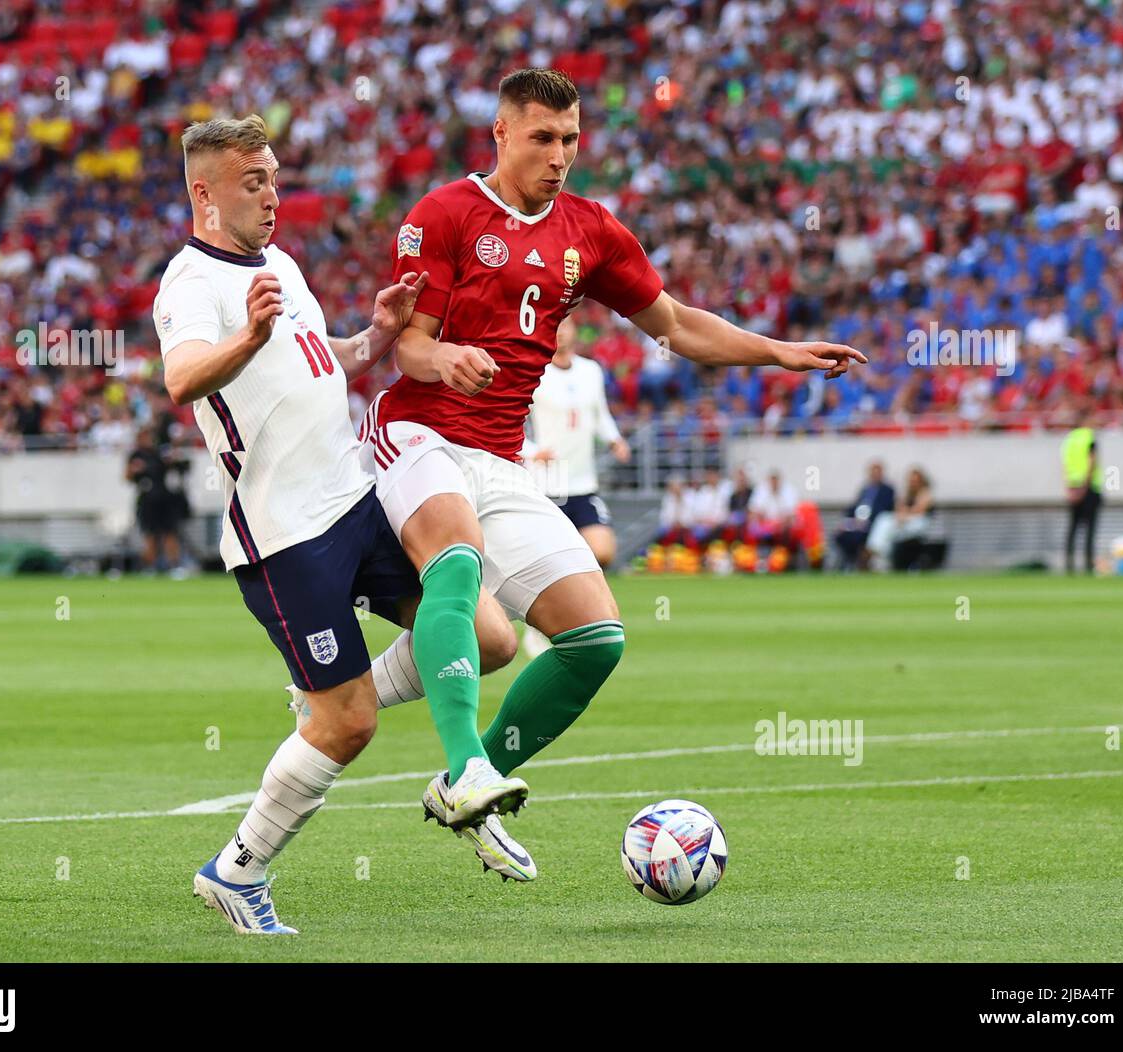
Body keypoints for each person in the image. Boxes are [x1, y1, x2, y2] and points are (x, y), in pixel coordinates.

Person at [365, 68, 865, 878]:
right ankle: (466, 770)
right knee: (455, 565)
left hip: (499, 460)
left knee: (595, 638)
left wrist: (779, 352)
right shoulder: (445, 213)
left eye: (569, 140)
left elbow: (674, 324)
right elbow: (410, 344)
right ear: (500, 135)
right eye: (541, 138)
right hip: (416, 433)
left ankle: (469, 778)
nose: (559, 155)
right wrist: (444, 355)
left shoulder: (590, 230)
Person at [152, 115, 518, 935]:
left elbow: (321, 362)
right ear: (204, 193)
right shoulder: (189, 284)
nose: (274, 195)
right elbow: (182, 380)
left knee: (490, 636)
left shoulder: (280, 263)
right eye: (254, 182)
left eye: (276, 176)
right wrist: (246, 333)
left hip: (353, 500)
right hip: (285, 538)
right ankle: (237, 870)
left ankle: (324, 700)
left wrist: (377, 336)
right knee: (349, 724)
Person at [522, 314, 630, 655]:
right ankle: (541, 626)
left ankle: (576, 612)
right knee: (548, 561)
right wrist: (531, 452)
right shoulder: (532, 373)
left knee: (602, 551)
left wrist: (614, 440)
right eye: (554, 326)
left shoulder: (591, 371)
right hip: (546, 485)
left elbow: (600, 416)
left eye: (565, 325)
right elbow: (510, 422)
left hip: (583, 483)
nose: (560, 332)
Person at [125, 425, 189, 573]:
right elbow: (127, 477)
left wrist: (173, 459)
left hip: (165, 498)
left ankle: (174, 565)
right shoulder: (136, 455)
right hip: (147, 499)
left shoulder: (161, 453)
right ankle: (149, 566)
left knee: (170, 532)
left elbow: (178, 467)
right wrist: (135, 470)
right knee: (150, 534)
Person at [867, 467, 935, 570]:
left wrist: (905, 514)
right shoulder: (907, 493)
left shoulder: (925, 494)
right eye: (911, 480)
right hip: (904, 521)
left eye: (915, 481)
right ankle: (878, 551)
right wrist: (901, 514)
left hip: (919, 523)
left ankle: (880, 554)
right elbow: (898, 507)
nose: (913, 483)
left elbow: (919, 510)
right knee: (884, 519)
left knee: (889, 529)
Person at [833, 460, 896, 571]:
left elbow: (885, 508)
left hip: (873, 523)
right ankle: (848, 562)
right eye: (873, 472)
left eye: (877, 472)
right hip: (857, 522)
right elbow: (855, 507)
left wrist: (867, 519)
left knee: (858, 536)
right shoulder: (865, 489)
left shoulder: (887, 490)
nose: (875, 474)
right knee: (841, 535)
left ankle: (860, 564)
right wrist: (847, 521)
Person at [1061, 410, 1102, 574]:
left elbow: (1065, 465)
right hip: (1088, 487)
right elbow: (1092, 462)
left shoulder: (1069, 440)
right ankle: (1088, 565)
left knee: (1073, 528)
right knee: (1090, 529)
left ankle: (1069, 565)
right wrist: (1085, 487)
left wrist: (1070, 488)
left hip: (1073, 487)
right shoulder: (1089, 437)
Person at [747, 470, 800, 549]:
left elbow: (793, 514)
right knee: (754, 527)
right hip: (765, 526)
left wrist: (782, 522)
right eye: (772, 481)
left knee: (788, 529)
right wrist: (758, 516)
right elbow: (752, 511)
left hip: (783, 526)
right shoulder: (761, 490)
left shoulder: (789, 491)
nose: (773, 483)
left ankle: (784, 551)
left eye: (775, 480)